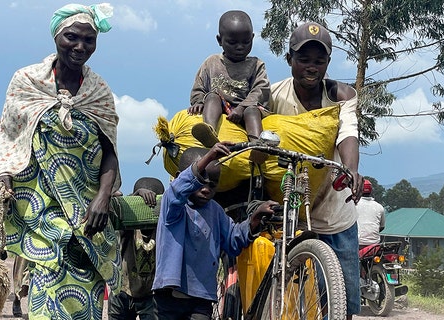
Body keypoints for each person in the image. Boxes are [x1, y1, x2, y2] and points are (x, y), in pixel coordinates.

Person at [0, 3, 121, 319]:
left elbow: (110, 151)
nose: (80, 46)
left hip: (88, 215)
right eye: (72, 37)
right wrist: (4, 173)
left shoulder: (99, 91)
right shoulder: (27, 81)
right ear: (56, 36)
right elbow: (8, 136)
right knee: (46, 289)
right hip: (40, 208)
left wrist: (103, 197)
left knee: (85, 296)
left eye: (89, 40)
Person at [268, 22, 363, 319]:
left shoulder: (341, 95)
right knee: (281, 298)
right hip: (288, 214)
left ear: (328, 63)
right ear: (289, 60)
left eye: (319, 61)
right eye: (303, 60)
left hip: (335, 215)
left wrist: (350, 170)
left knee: (342, 304)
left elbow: (348, 132)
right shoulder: (273, 96)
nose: (311, 67)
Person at [152, 143, 278, 320]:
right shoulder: (172, 204)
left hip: (202, 297)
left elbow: (234, 239)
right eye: (200, 181)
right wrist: (209, 157)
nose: (206, 189)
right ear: (182, 177)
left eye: (212, 185)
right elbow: (178, 189)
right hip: (170, 296)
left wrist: (254, 219)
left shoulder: (216, 211)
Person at [188, 10, 270, 149]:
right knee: (212, 96)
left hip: (245, 108)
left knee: (252, 110)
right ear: (220, 40)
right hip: (220, 105)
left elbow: (260, 90)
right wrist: (198, 101)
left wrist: (241, 108)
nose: (240, 47)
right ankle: (209, 133)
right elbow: (199, 87)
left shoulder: (256, 64)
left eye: (246, 42)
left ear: (252, 38)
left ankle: (258, 146)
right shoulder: (211, 62)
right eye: (233, 42)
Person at [108, 177, 165, 320]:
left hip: (151, 294)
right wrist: (136, 196)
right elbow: (119, 208)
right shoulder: (128, 225)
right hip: (122, 291)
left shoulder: (163, 227)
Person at [357, 179, 386, 248]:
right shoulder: (379, 207)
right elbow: (382, 227)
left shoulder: (354, 205)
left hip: (358, 243)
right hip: (375, 244)